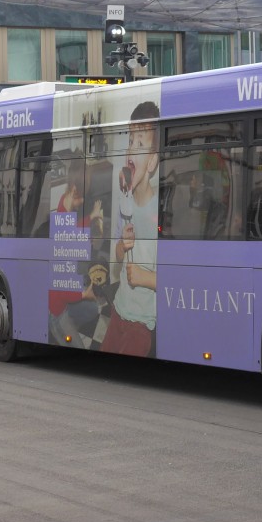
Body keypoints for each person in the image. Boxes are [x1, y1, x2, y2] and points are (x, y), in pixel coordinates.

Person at [102, 100, 160, 357]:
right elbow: (117, 254)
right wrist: (121, 247)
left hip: (142, 322)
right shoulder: (124, 202)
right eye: (130, 141)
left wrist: (144, 278)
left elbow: (177, 281)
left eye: (140, 144)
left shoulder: (161, 209)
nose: (131, 149)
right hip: (119, 309)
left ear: (151, 162)